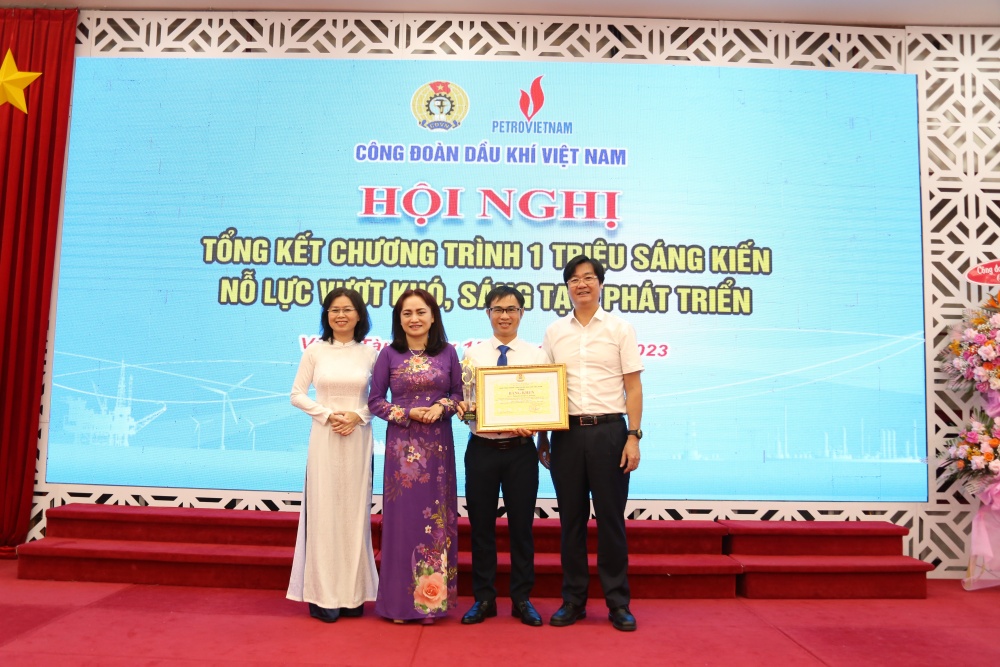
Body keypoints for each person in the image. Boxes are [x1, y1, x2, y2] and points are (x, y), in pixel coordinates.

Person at [538, 255, 644, 632]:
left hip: (610, 432)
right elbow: (545, 388)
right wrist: (542, 437)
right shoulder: (554, 332)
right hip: (565, 434)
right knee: (571, 521)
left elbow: (633, 387)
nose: (581, 284)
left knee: (611, 520)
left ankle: (618, 603)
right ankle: (573, 600)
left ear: (600, 283)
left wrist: (633, 436)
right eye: (574, 279)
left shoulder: (620, 329)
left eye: (588, 278)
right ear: (566, 287)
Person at [368, 288, 462, 623]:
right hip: (402, 454)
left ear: (433, 316)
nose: (414, 319)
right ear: (399, 319)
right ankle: (399, 605)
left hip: (437, 450)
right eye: (407, 313)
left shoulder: (448, 353)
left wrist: (442, 406)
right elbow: (375, 401)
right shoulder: (388, 354)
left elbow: (458, 395)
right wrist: (407, 413)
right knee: (402, 523)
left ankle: (430, 605)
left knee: (435, 522)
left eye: (421, 312)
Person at [287, 287, 379, 623]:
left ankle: (353, 595)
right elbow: (297, 394)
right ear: (326, 316)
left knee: (354, 516)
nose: (341, 315)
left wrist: (358, 416)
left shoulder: (371, 354)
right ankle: (323, 595)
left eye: (347, 309)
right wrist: (327, 414)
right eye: (334, 310)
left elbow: (379, 399)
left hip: (358, 438)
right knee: (323, 515)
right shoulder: (315, 352)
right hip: (324, 438)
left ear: (359, 315)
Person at [458, 285, 548, 627]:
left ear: (522, 313)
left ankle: (522, 598)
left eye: (511, 309)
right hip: (481, 450)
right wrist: (464, 411)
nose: (505, 316)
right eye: (498, 309)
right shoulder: (473, 355)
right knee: (481, 527)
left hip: (520, 452)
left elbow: (546, 404)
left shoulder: (537, 356)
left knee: (522, 527)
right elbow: (466, 404)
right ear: (488, 313)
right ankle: (484, 598)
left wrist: (538, 425)